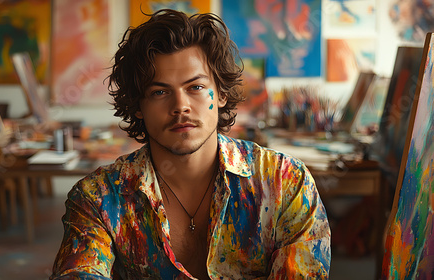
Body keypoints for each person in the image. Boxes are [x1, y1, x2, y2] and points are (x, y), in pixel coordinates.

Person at [50, 9, 330, 279]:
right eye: (160, 92)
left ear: (220, 94)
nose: (180, 106)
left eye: (195, 87)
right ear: (138, 106)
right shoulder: (99, 199)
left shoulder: (285, 183)